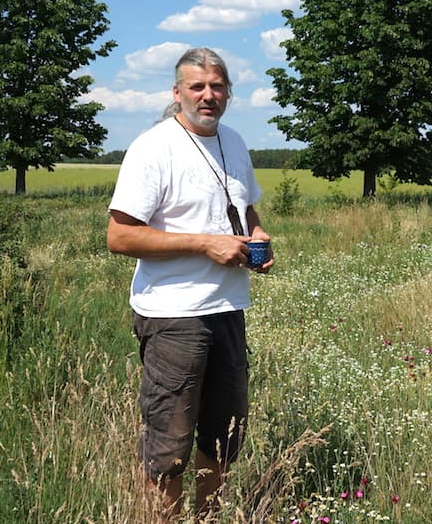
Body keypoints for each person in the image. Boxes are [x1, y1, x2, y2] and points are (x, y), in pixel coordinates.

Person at [106, 47, 273, 520]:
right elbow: (119, 236)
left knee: (224, 437)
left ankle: (206, 519)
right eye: (197, 86)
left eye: (217, 86)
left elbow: (246, 208)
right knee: (169, 447)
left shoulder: (235, 142)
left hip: (227, 308)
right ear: (176, 92)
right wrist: (205, 244)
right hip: (173, 313)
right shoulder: (154, 148)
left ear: (228, 93)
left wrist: (256, 233)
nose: (208, 95)